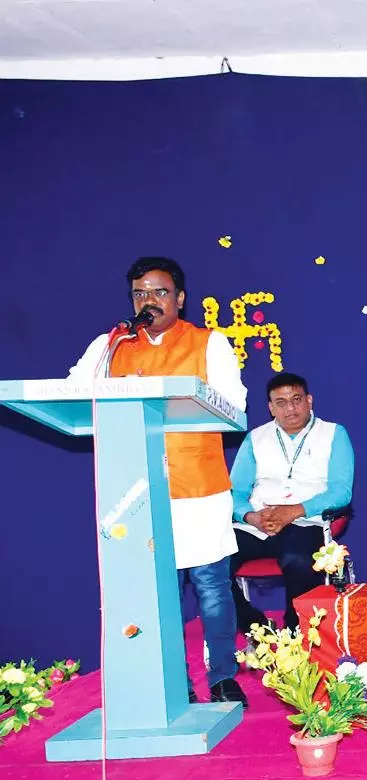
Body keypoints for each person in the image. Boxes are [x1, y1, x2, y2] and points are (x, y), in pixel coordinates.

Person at [68, 256, 249, 706]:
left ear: (180, 298)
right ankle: (173, 682)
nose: (148, 301)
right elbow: (73, 391)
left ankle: (223, 677)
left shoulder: (209, 343)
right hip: (136, 490)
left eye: (160, 292)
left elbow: (234, 404)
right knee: (156, 592)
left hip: (198, 487)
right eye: (140, 294)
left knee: (211, 587)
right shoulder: (111, 345)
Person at [229, 372, 353, 631]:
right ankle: (256, 627)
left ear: (309, 400)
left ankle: (294, 632)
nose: (290, 409)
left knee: (298, 560)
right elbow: (235, 492)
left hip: (306, 520)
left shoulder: (333, 433)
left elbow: (341, 492)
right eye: (281, 402)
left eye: (296, 399)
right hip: (257, 523)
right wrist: (251, 516)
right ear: (271, 407)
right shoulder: (255, 438)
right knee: (214, 562)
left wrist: (294, 511)